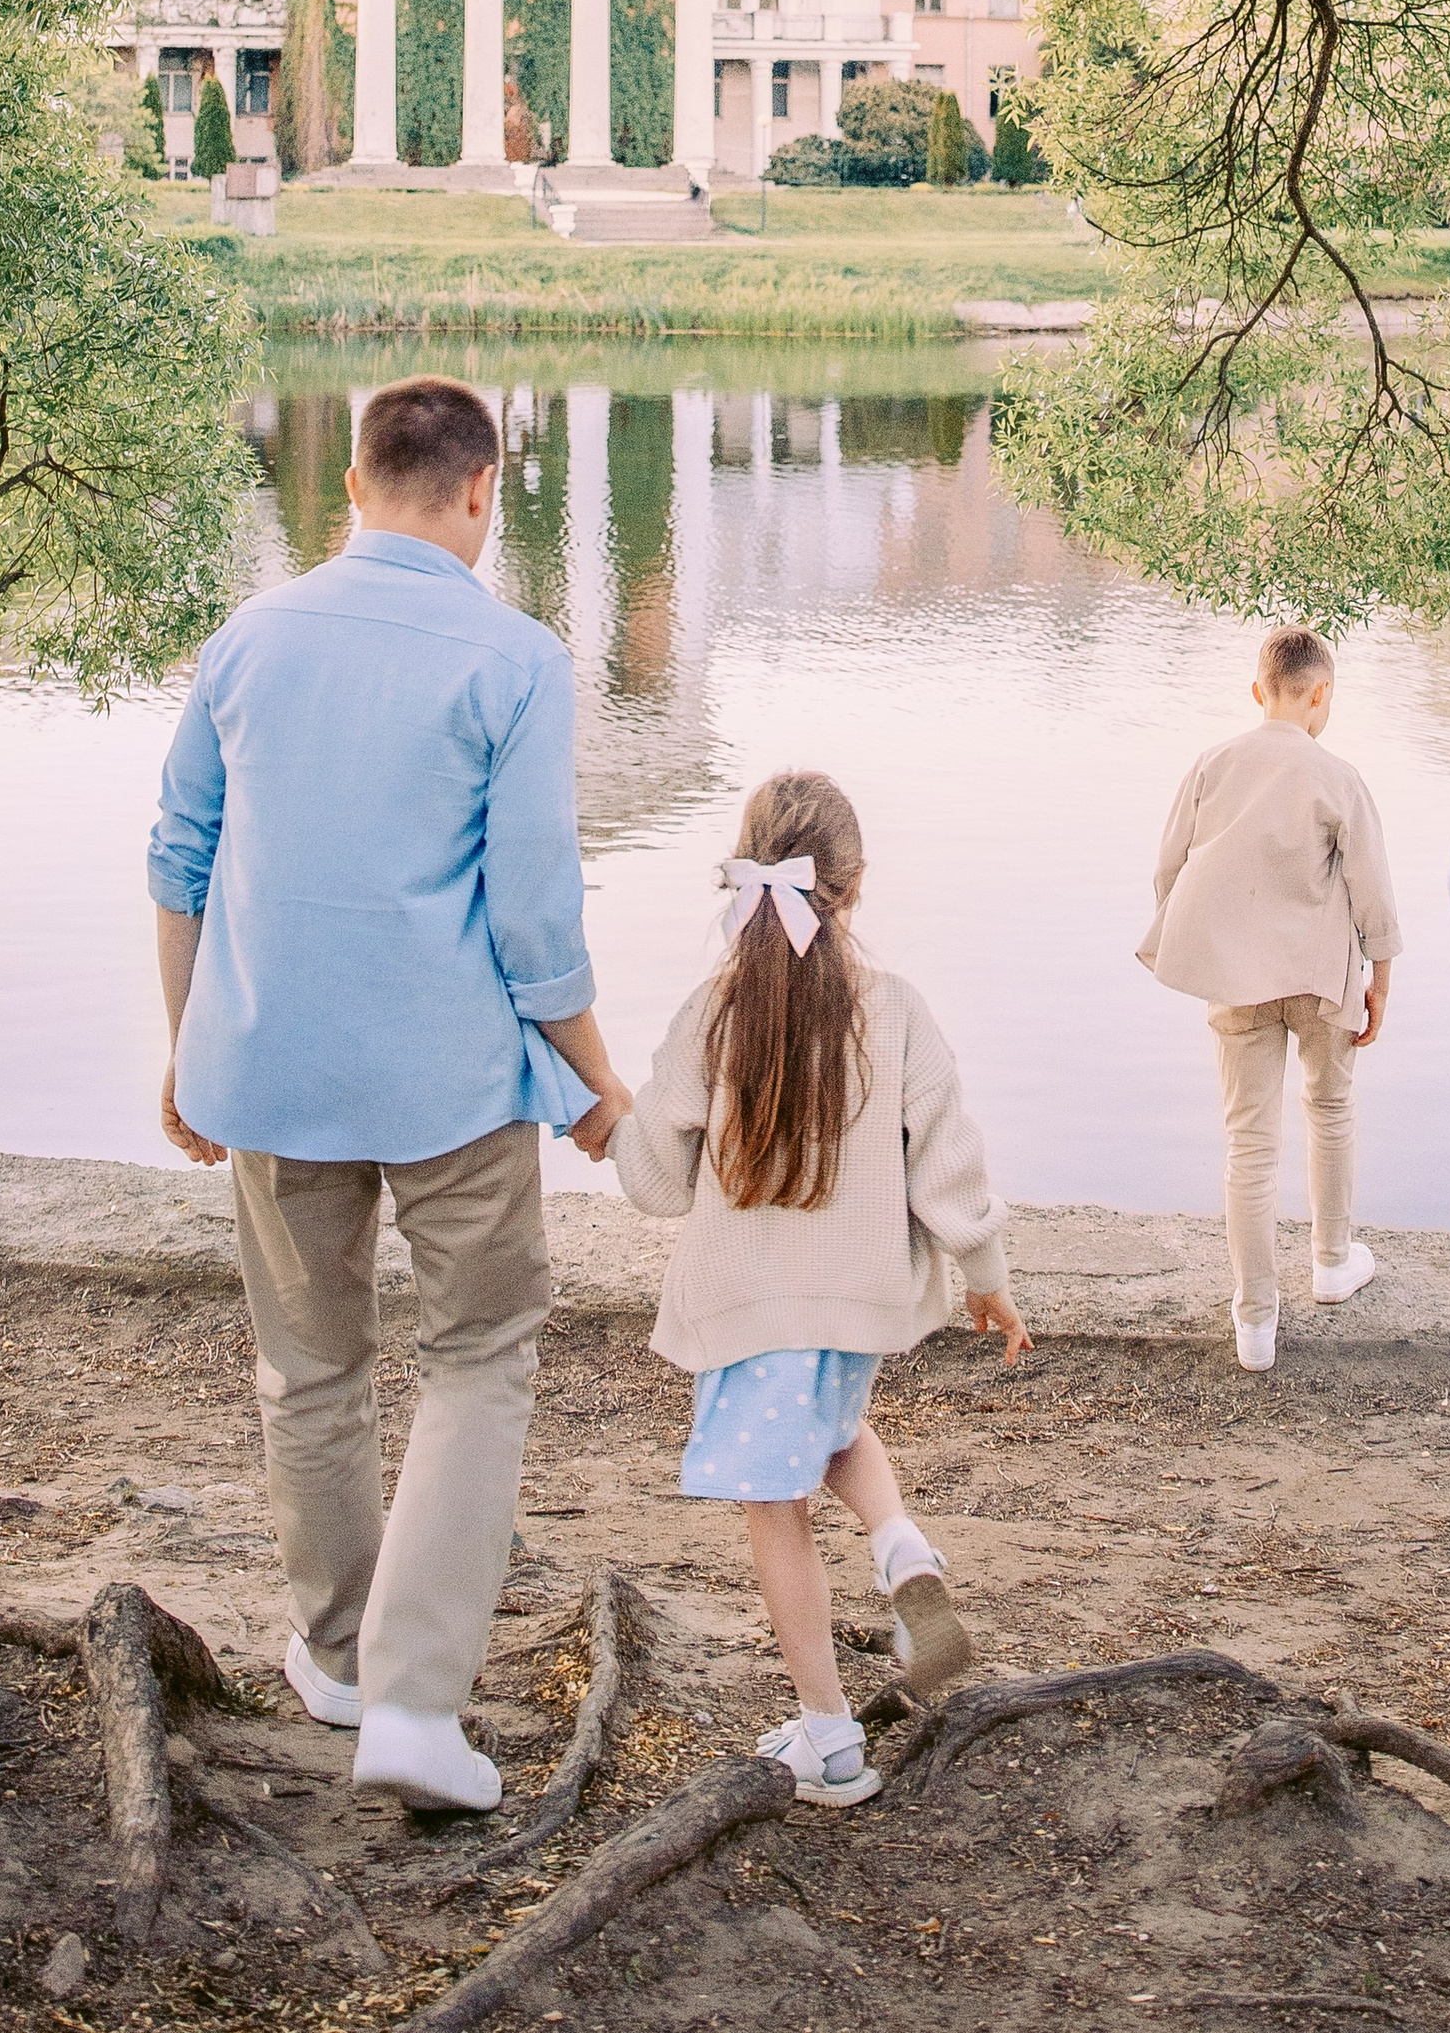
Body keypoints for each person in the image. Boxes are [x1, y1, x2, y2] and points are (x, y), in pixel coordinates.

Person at [147, 374, 631, 1818]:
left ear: (353, 488)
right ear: (482, 492)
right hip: (454, 1081)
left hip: (269, 1063)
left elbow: (179, 852)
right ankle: (417, 1700)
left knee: (311, 1365)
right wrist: (600, 1089)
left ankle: (343, 1656)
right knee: (480, 1353)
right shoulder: (519, 657)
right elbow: (535, 919)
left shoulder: (248, 637)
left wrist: (187, 1046)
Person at [611, 771, 1030, 1809]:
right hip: (856, 1303)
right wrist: (987, 1278)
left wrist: (613, 1118)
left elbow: (657, 1181)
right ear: (853, 883)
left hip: (755, 1306)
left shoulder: (712, 1009)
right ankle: (899, 1547)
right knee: (833, 1421)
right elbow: (948, 1161)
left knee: (775, 1503)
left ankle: (832, 1741)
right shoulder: (892, 1010)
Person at [1140, 626, 1400, 1366]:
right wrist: (1380, 977)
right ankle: (1330, 1259)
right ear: (1321, 695)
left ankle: (1255, 1319)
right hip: (1319, 974)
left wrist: (1205, 941)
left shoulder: (1212, 764)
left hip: (1238, 977)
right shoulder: (1337, 775)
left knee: (1248, 1143)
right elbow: (1370, 887)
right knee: (1330, 1107)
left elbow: (1169, 870)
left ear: (1259, 691)